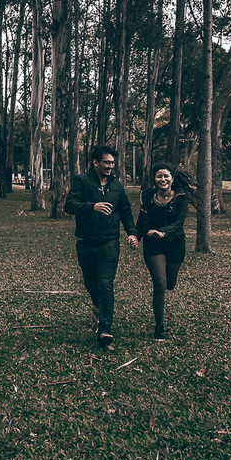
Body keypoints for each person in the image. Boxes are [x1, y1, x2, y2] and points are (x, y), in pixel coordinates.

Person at [64, 145, 138, 347]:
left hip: (109, 242)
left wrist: (132, 232)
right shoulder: (82, 181)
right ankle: (97, 306)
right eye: (107, 162)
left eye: (112, 163)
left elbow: (125, 211)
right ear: (95, 163)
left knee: (105, 284)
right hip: (86, 242)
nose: (110, 166)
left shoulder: (117, 186)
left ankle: (105, 329)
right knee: (91, 283)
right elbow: (69, 205)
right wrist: (92, 206)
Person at [136, 164, 188, 341]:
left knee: (169, 284)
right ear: (154, 179)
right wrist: (135, 236)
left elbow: (179, 222)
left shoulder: (180, 197)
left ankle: (167, 284)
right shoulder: (148, 196)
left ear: (172, 179)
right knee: (159, 282)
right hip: (153, 244)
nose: (162, 179)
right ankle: (159, 328)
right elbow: (141, 221)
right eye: (159, 176)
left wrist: (163, 232)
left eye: (166, 176)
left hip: (174, 243)